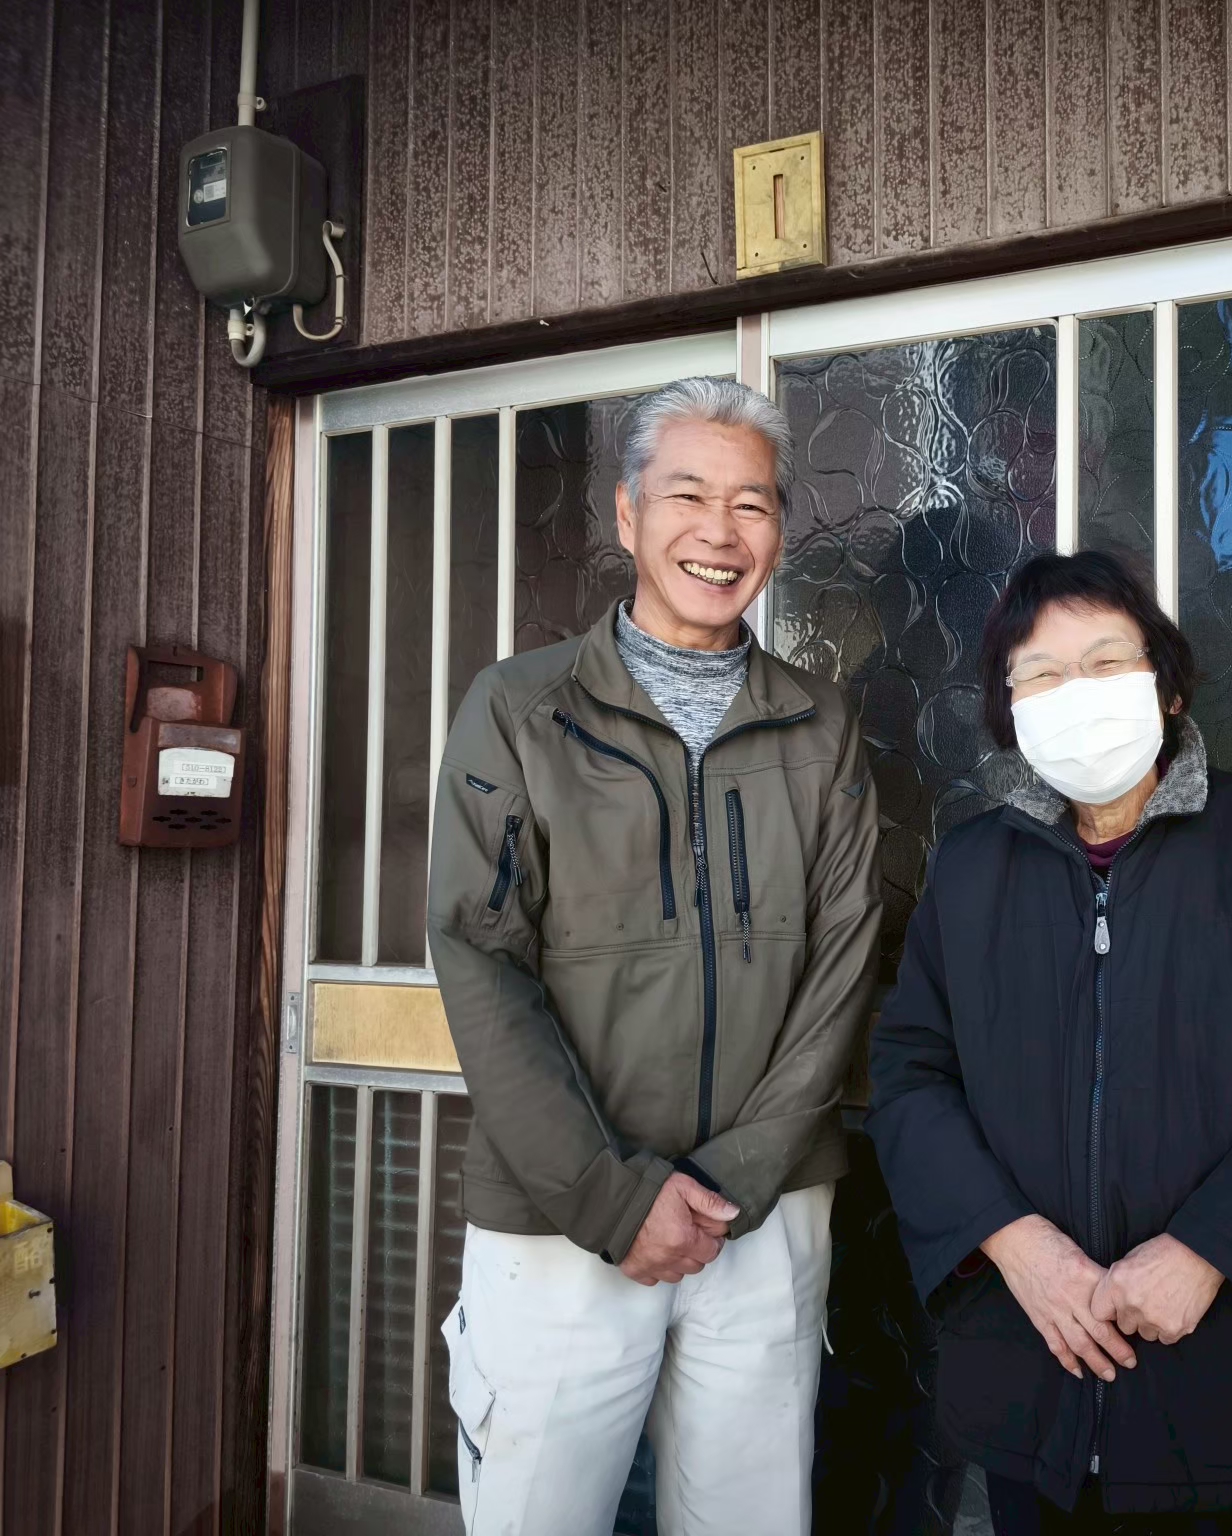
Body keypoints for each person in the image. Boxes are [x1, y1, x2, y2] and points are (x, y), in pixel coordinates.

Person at [867, 551, 1232, 1533]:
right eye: (1038, 675)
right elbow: (911, 1073)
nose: (1071, 695)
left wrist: (1211, 1248)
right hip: (1033, 1388)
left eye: (1104, 661)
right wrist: (1014, 1243)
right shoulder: (968, 868)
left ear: (1165, 687)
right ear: (1008, 710)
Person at [426, 377, 880, 1535]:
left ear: (778, 530)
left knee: (749, 1515)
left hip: (763, 1219)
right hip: (558, 1220)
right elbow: (481, 961)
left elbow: (843, 959)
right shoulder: (519, 709)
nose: (718, 533)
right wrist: (611, 1195)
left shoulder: (818, 726)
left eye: (752, 504)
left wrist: (733, 1178)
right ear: (626, 516)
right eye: (687, 495)